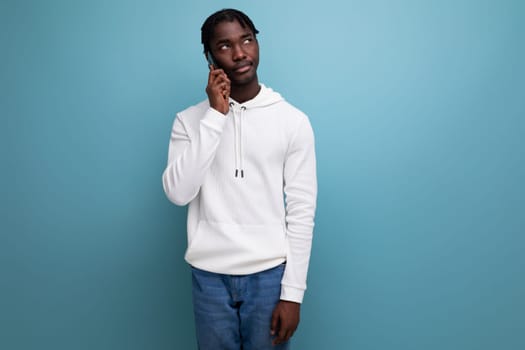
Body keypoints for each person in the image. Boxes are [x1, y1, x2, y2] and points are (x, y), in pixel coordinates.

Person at [162, 8, 317, 349]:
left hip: (269, 276)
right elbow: (178, 192)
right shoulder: (189, 122)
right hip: (209, 277)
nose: (240, 53)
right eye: (224, 46)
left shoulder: (293, 121)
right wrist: (216, 117)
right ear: (209, 57)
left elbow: (302, 213)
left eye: (247, 40)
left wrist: (293, 294)